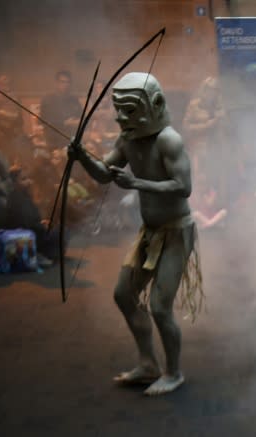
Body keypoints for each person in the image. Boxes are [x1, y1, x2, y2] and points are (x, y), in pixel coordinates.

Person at [68, 72, 202, 396]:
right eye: (120, 110)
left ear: (152, 106)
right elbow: (104, 174)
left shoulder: (168, 140)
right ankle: (148, 364)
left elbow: (183, 188)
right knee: (123, 295)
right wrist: (83, 156)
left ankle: (173, 372)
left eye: (128, 111)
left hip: (176, 232)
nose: (120, 118)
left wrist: (137, 183)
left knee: (159, 307)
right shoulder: (128, 140)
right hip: (150, 232)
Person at [40, 70, 80, 151]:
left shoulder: (74, 99)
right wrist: (65, 123)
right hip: (54, 136)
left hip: (71, 135)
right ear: (57, 83)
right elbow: (45, 120)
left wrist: (79, 121)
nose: (66, 85)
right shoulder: (48, 99)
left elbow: (80, 115)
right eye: (63, 82)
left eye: (68, 82)